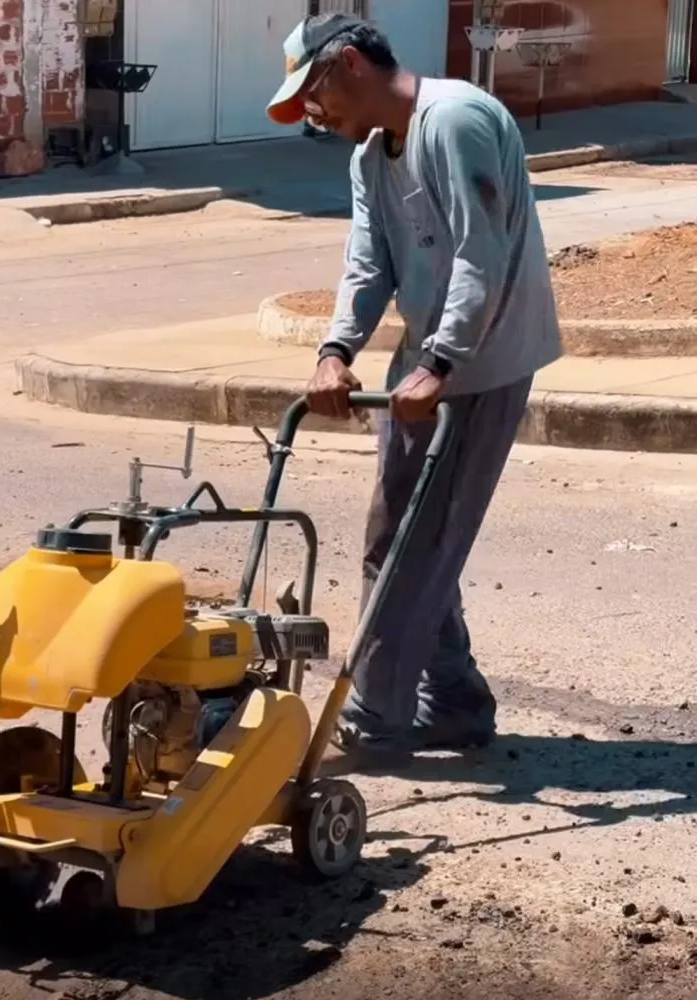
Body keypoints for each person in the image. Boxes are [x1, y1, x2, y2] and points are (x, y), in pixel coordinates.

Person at [266, 13, 562, 766]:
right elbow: (367, 264)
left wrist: (441, 363)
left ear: (352, 66)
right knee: (399, 536)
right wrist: (335, 350)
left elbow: (480, 252)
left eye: (313, 92)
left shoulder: (455, 119)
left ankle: (375, 715)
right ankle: (453, 700)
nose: (311, 112)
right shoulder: (370, 155)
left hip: (481, 362)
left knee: (412, 545)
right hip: (426, 361)